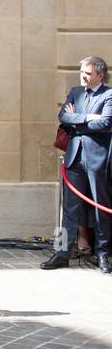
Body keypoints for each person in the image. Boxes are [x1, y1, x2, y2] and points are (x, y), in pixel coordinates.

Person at [44, 55, 112, 274]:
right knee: (69, 209)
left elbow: (106, 122)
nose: (84, 77)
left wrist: (78, 120)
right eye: (82, 72)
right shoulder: (75, 92)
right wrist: (88, 118)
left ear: (100, 75)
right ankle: (62, 252)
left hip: (97, 159)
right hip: (74, 157)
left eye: (88, 73)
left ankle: (102, 254)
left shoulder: (109, 94)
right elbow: (63, 116)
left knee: (101, 208)